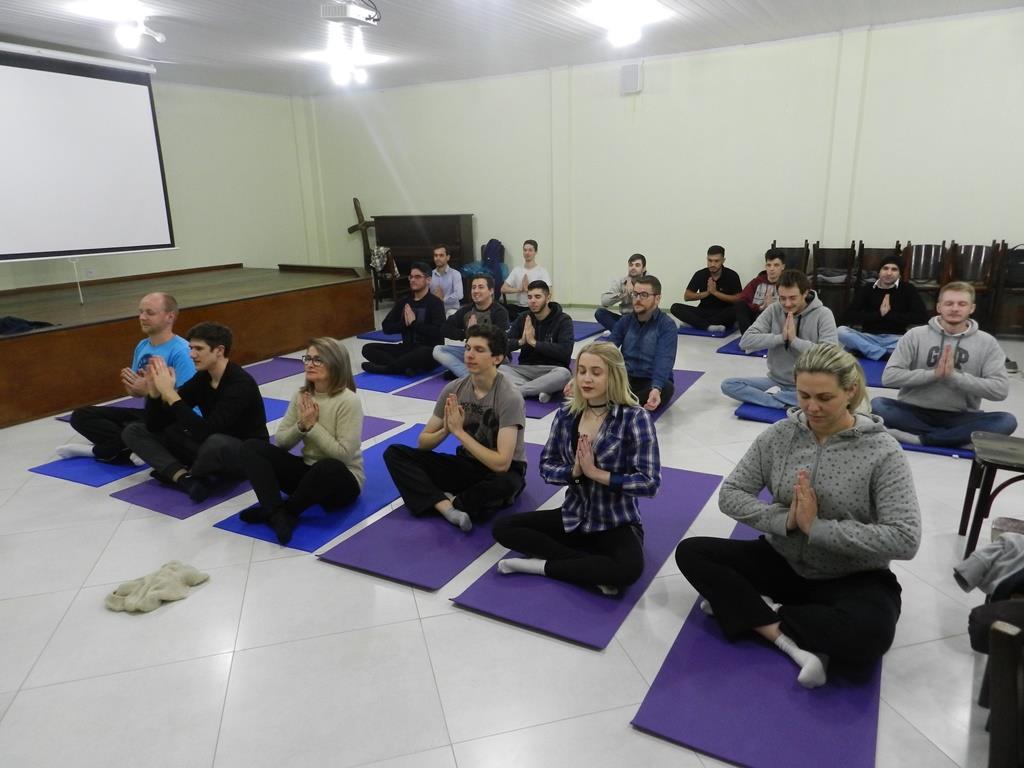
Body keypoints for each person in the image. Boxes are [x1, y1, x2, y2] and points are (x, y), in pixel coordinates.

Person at [676, 343, 921, 688]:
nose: (811, 407)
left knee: (871, 635)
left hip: (851, 575)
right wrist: (787, 522)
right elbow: (731, 495)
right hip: (784, 560)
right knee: (692, 552)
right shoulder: (779, 436)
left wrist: (816, 528)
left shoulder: (883, 452)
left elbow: (905, 538)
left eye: (824, 397)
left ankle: (753, 610)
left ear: (850, 391)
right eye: (804, 395)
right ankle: (784, 634)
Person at [493, 341, 660, 595]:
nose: (587, 379)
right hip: (574, 515)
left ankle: (541, 566)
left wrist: (597, 474)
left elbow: (649, 483)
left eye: (596, 372)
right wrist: (575, 473)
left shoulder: (634, 418)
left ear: (613, 375)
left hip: (616, 521)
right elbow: (547, 467)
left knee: (629, 570)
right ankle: (588, 569)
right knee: (503, 528)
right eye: (582, 371)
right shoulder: (566, 415)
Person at [383, 324, 527, 532]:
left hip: (504, 472)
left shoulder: (509, 397)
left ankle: (451, 501)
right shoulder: (454, 389)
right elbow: (423, 443)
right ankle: (447, 507)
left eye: (479, 350)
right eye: (468, 348)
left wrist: (459, 432)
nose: (469, 355)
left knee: (504, 485)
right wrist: (446, 431)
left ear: (497, 358)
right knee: (395, 453)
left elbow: (502, 464)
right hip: (467, 463)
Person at [122, 322, 269, 501]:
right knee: (135, 430)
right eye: (191, 348)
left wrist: (169, 393)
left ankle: (191, 472)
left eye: (198, 349)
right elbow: (155, 424)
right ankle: (185, 478)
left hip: (242, 454)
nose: (191, 354)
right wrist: (154, 393)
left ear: (219, 351)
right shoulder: (202, 378)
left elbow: (206, 431)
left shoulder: (240, 384)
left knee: (216, 441)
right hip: (207, 448)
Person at [238, 338, 363, 545]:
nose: (310, 364)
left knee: (328, 466)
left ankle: (282, 512)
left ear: (335, 363)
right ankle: (277, 512)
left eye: (318, 359)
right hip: (307, 473)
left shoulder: (348, 401)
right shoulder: (301, 395)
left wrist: (313, 427)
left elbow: (343, 456)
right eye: (308, 358)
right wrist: (302, 426)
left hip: (341, 481)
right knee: (251, 447)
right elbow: (282, 442)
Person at [871, 282, 1017, 447]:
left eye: (962, 304)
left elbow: (1000, 390)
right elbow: (889, 378)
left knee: (1006, 421)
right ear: (939, 307)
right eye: (949, 303)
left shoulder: (987, 342)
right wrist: (933, 375)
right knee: (878, 405)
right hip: (913, 411)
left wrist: (953, 377)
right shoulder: (915, 335)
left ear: (972, 308)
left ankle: (920, 439)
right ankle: (955, 440)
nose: (955, 308)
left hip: (960, 417)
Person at [58, 292, 196, 464]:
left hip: (175, 421)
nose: (142, 317)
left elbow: (189, 402)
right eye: (141, 312)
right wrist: (134, 389)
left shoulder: (181, 351)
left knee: (134, 429)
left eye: (150, 313)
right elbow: (136, 391)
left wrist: (151, 390)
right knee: (81, 415)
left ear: (170, 317)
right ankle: (136, 446)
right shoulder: (143, 346)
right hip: (150, 415)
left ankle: (98, 451)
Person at [721, 270, 838, 409]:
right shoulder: (774, 309)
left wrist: (794, 341)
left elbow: (830, 355)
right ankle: (781, 402)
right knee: (729, 385)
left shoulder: (823, 314)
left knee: (835, 395)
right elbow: (746, 341)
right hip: (776, 382)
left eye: (793, 298)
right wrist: (781, 338)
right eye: (782, 298)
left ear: (805, 293)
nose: (787, 303)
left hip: (811, 385)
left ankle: (776, 398)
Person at [603, 275, 677, 411]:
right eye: (635, 294)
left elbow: (664, 359)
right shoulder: (625, 321)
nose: (637, 299)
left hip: (650, 381)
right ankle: (627, 400)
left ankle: (622, 400)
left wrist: (656, 388)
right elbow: (608, 349)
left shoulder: (667, 325)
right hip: (626, 379)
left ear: (657, 299)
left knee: (666, 388)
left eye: (644, 295)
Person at [836, 254, 928, 360]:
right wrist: (878, 315)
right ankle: (882, 354)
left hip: (896, 338)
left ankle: (867, 351)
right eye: (885, 268)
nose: (889, 273)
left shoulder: (908, 289)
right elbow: (849, 315)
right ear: (879, 272)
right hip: (869, 337)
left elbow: (921, 317)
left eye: (894, 269)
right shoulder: (868, 288)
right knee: (841, 331)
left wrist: (889, 315)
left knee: (918, 342)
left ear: (900, 274)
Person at [361, 262, 445, 376]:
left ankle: (388, 369)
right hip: (407, 349)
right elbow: (386, 327)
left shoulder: (435, 303)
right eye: (411, 277)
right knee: (367, 349)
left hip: (428, 352)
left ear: (428, 280)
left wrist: (414, 323)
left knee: (423, 352)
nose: (412, 280)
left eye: (418, 277)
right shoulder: (404, 302)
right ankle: (405, 367)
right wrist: (405, 324)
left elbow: (438, 333)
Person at [504, 280, 574, 403]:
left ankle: (520, 391)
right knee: (498, 369)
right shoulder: (524, 318)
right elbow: (504, 344)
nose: (533, 301)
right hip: (526, 370)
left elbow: (565, 352)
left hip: (552, 370)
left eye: (537, 297)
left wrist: (534, 343)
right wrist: (521, 342)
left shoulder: (563, 320)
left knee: (564, 375)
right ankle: (543, 389)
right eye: (529, 297)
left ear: (548, 298)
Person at [433, 274, 510, 378]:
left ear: (491, 291)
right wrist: (465, 334)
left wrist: (474, 333)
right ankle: (469, 375)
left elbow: (501, 341)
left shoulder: (499, 312)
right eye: (473, 287)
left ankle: (464, 372)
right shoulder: (466, 311)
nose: (476, 291)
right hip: (471, 353)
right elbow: (445, 328)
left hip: (492, 355)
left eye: (481, 287)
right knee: (438, 350)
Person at [670, 245, 743, 332]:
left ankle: (696, 323)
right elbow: (687, 296)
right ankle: (708, 326)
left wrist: (715, 293)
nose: (712, 264)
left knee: (738, 308)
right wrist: (708, 292)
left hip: (723, 313)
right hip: (703, 311)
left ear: (723, 260)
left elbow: (738, 299)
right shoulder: (700, 274)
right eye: (710, 260)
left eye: (716, 261)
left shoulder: (732, 275)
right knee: (675, 307)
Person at [736, 248, 786, 334]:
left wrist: (774, 307)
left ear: (783, 267)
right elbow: (743, 298)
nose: (771, 269)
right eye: (769, 265)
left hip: (779, 321)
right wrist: (761, 307)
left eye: (776, 265)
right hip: (757, 319)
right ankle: (748, 337)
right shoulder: (757, 282)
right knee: (739, 305)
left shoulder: (788, 283)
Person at [501, 239, 552, 319]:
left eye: (530, 250)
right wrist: (520, 289)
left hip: (535, 307)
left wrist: (529, 290)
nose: (527, 253)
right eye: (525, 250)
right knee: (501, 309)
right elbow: (503, 289)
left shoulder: (542, 271)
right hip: (519, 307)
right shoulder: (517, 270)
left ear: (535, 252)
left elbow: (549, 292)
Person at [595, 253, 646, 332]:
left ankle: (621, 332)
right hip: (625, 319)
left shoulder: (650, 281)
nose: (633, 267)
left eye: (637, 265)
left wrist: (634, 292)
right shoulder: (621, 281)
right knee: (600, 313)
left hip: (643, 320)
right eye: (631, 265)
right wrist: (623, 295)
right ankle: (624, 332)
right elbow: (604, 302)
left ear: (643, 269)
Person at [430, 243, 463, 316]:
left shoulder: (455, 274)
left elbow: (459, 295)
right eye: (435, 255)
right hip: (434, 310)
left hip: (451, 310)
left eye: (441, 255)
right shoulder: (430, 275)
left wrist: (443, 299)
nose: (437, 258)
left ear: (448, 257)